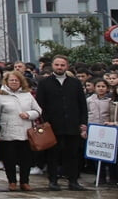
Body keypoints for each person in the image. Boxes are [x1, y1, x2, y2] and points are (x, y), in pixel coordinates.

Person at [36, 55, 89, 191]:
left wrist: (83, 122)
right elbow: (41, 105)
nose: (59, 67)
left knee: (72, 154)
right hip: (53, 126)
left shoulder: (75, 83)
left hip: (72, 124)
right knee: (53, 154)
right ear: (53, 66)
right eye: (57, 65)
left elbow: (82, 105)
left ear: (67, 66)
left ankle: (73, 180)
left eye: (62, 65)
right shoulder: (44, 83)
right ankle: (53, 180)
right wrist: (46, 123)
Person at [0, 70, 41, 191]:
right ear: (6, 82)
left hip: (25, 132)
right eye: (11, 80)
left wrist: (29, 114)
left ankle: (25, 181)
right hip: (7, 132)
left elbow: (38, 110)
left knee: (25, 159)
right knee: (9, 159)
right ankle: (12, 181)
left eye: (16, 80)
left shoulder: (27, 95)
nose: (14, 82)